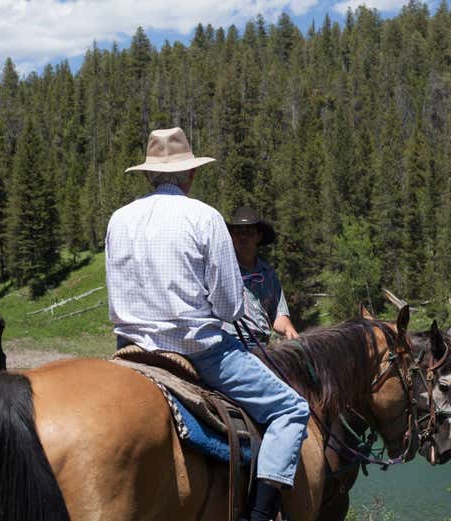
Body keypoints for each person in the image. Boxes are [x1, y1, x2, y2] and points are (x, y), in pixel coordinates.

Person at [105, 127, 309, 521]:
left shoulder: (119, 218)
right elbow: (232, 306)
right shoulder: (205, 217)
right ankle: (261, 516)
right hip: (199, 352)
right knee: (291, 409)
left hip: (129, 350)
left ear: (148, 174)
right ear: (191, 174)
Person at [223, 207, 299, 345]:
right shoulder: (222, 270)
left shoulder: (267, 273)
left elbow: (277, 313)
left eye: (249, 232)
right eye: (238, 233)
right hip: (232, 342)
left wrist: (289, 329)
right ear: (231, 237)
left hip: (262, 344)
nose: (243, 237)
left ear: (258, 236)